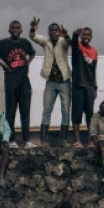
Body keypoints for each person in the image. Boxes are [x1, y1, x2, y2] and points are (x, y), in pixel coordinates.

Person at [0, 20, 37, 148]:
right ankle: (11, 140)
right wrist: (1, 63)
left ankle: (27, 140)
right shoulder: (3, 44)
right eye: (13, 28)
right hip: (11, 82)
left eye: (18, 28)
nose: (16, 30)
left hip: (24, 82)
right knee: (10, 113)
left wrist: (28, 63)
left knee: (25, 112)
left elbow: (33, 52)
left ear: (21, 30)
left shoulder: (25, 43)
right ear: (9, 30)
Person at [30, 18, 72, 146]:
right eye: (51, 30)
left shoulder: (62, 42)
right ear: (48, 32)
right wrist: (33, 29)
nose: (54, 32)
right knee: (47, 110)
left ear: (59, 32)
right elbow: (33, 37)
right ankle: (44, 140)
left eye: (56, 30)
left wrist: (67, 35)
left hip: (64, 80)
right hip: (50, 81)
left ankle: (63, 139)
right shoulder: (45, 42)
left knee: (65, 109)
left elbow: (70, 42)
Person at [70, 27, 98, 148]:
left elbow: (93, 71)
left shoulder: (94, 52)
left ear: (91, 37)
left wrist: (95, 87)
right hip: (78, 85)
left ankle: (91, 141)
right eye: (84, 35)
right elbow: (74, 44)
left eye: (88, 35)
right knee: (77, 113)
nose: (86, 37)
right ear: (81, 36)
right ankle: (77, 140)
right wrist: (75, 35)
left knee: (90, 114)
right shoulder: (78, 47)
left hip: (89, 87)